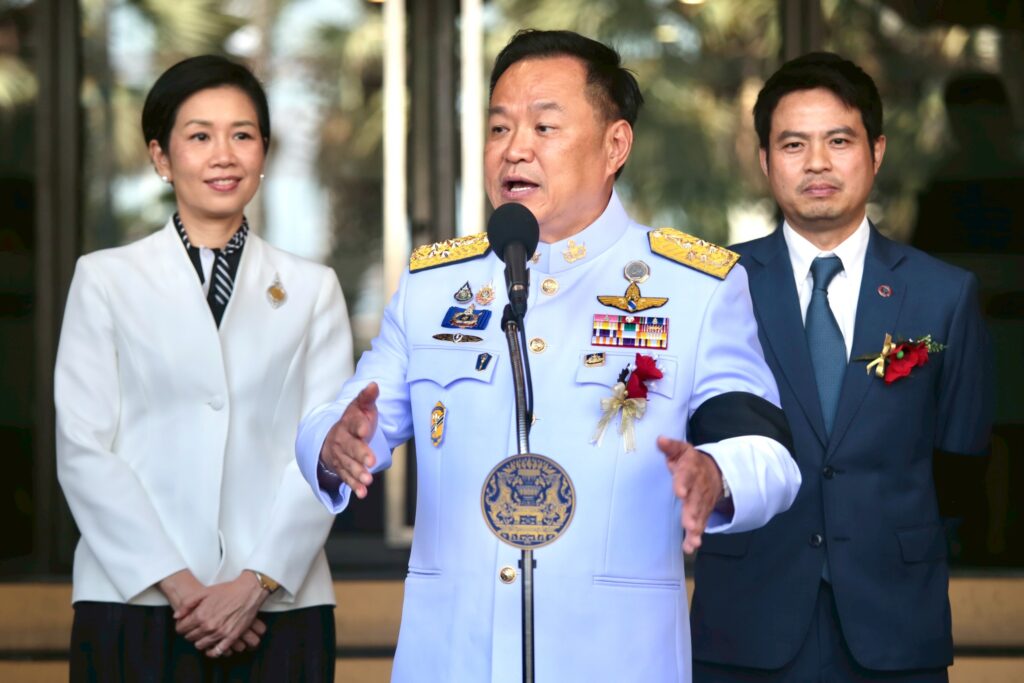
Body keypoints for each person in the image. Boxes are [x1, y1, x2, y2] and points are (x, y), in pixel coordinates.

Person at [296, 29, 801, 682]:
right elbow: (345, 416)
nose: (515, 148)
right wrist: (332, 444)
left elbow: (768, 455)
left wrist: (716, 473)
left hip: (614, 661)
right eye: (499, 127)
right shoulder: (433, 285)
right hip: (453, 659)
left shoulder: (693, 286)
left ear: (615, 145)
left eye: (544, 126)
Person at [690, 52, 994, 682]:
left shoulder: (942, 294)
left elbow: (961, 464)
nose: (817, 163)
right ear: (765, 159)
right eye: (793, 144)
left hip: (894, 621)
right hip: (749, 617)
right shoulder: (713, 284)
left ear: (876, 152)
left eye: (839, 141)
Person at [55, 55, 351, 681]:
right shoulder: (105, 279)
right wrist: (184, 589)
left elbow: (324, 453)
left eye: (242, 135)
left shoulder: (313, 288)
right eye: (199, 136)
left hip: (279, 604)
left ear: (263, 152)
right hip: (132, 598)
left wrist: (253, 583)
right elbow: (82, 447)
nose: (224, 156)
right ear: (161, 158)